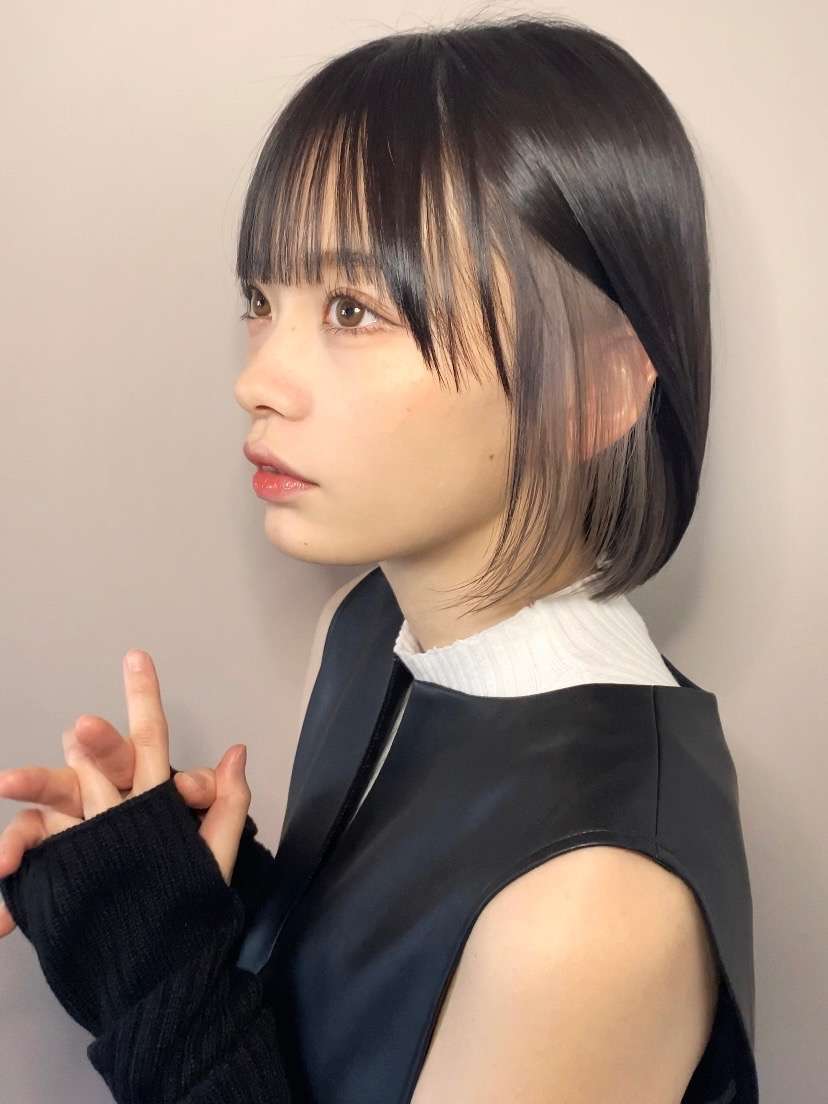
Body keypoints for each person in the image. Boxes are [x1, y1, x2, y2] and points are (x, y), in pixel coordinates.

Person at [0, 11, 759, 1103]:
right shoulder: (370, 623)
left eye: (353, 308)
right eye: (261, 301)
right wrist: (174, 883)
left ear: (594, 391)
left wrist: (160, 968)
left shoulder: (591, 910)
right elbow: (354, 1022)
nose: (256, 378)